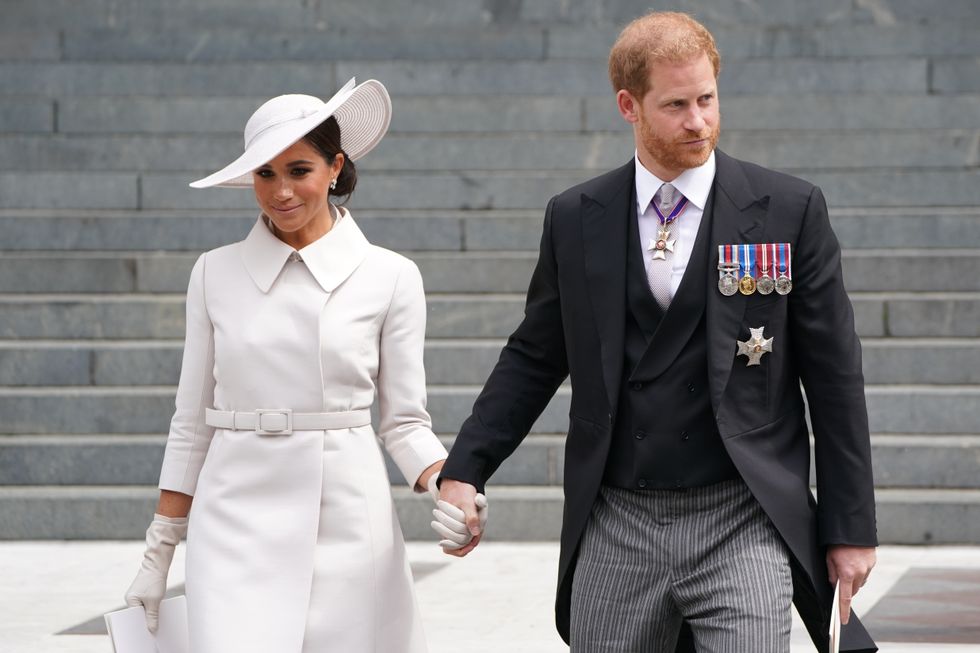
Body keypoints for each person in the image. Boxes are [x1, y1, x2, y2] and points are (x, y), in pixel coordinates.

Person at [438, 12, 878, 653]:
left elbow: (836, 375)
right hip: (617, 515)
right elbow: (535, 354)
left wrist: (851, 526)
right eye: (675, 105)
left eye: (707, 98)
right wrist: (465, 468)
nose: (698, 121)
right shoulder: (574, 216)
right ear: (629, 105)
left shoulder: (789, 209)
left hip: (742, 514)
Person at [123, 78, 475, 652]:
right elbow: (191, 422)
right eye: (265, 174)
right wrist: (159, 553)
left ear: (335, 167)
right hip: (232, 514)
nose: (280, 191)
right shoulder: (213, 273)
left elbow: (406, 422)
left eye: (299, 170)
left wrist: (451, 487)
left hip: (347, 517)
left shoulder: (391, 275)